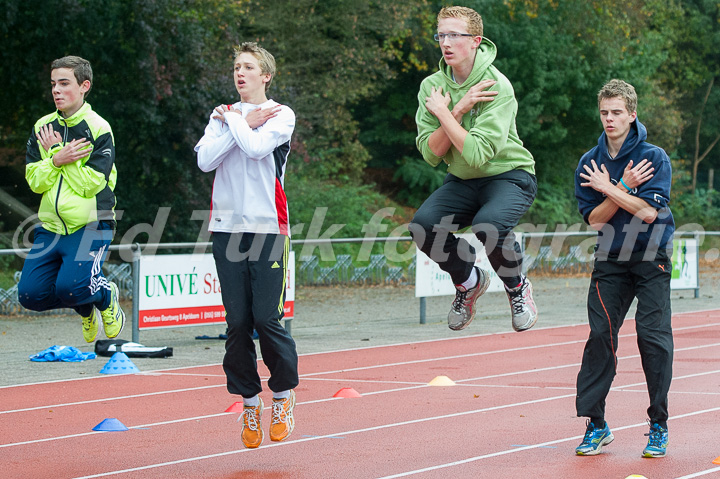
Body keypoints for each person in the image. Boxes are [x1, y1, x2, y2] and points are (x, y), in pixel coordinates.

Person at [195, 42, 298, 449]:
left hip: (269, 229)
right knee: (237, 322)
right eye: (236, 66)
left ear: (265, 76)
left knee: (267, 319)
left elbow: (257, 149)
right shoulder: (222, 114)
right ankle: (250, 404)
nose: (240, 73)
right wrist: (241, 121)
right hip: (227, 229)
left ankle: (285, 397)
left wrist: (240, 122)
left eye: (249, 67)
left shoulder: (280, 113)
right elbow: (205, 161)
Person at [409, 6, 538, 333]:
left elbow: (479, 153)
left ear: (476, 41)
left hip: (509, 176)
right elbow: (431, 153)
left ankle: (517, 286)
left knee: (489, 224)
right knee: (423, 226)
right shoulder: (432, 88)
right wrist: (459, 107)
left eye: (455, 35)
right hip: (464, 179)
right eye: (441, 35)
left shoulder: (497, 86)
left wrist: (449, 113)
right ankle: (468, 281)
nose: (446, 43)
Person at [574, 79, 675, 458]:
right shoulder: (589, 162)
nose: (610, 119)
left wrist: (612, 188)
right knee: (600, 336)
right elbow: (596, 221)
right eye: (604, 112)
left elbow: (649, 213)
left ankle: (659, 424)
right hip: (610, 261)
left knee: (652, 338)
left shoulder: (654, 157)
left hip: (652, 257)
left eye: (617, 112)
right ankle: (596, 424)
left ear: (632, 114)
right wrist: (623, 188)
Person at [18, 55, 125, 343]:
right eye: (53, 84)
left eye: (64, 83)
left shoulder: (99, 128)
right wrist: (56, 160)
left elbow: (90, 185)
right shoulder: (42, 126)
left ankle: (104, 296)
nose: (56, 90)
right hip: (50, 228)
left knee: (72, 287)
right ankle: (86, 306)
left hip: (92, 224)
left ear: (84, 86)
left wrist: (58, 156)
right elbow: (35, 182)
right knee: (30, 296)